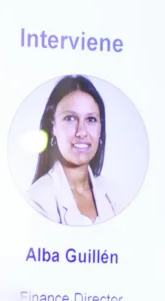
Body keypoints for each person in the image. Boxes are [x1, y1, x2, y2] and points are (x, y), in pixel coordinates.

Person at [28, 75, 121, 225]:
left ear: (100, 128)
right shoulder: (38, 200)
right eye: (70, 118)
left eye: (91, 119)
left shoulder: (113, 194)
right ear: (53, 127)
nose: (81, 132)